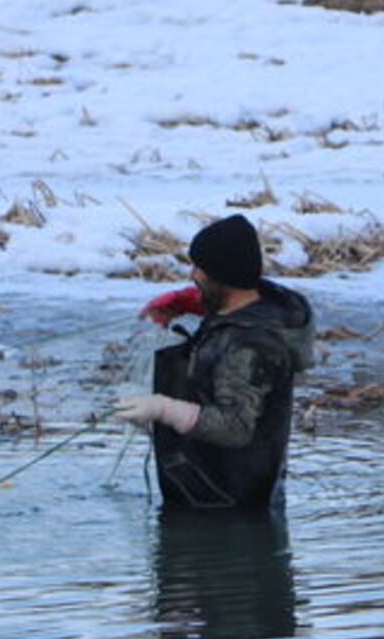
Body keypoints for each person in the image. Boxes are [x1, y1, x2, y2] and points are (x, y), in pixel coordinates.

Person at [115, 213, 315, 511]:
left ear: (222, 276)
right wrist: (188, 301)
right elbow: (235, 302)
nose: (192, 275)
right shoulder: (263, 305)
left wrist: (162, 408)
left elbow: (235, 426)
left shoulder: (250, 346)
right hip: (205, 490)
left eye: (199, 269)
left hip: (226, 508)